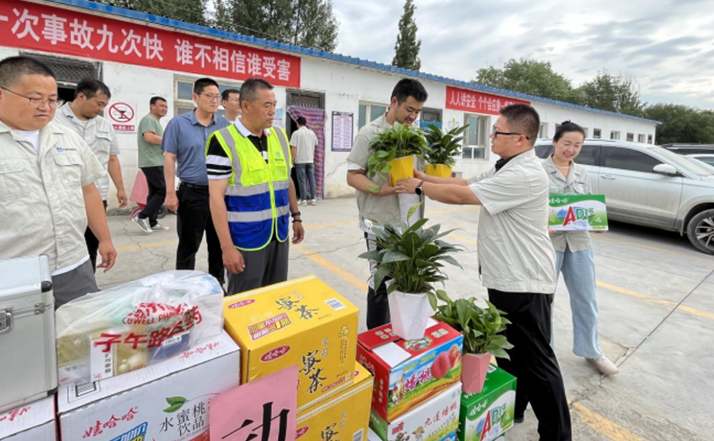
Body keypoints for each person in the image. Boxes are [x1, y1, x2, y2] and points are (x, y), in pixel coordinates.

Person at [395, 104, 572, 441]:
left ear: (520, 138)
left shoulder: (525, 174)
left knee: (537, 360)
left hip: (524, 279)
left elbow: (463, 195)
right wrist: (420, 176)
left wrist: (418, 189)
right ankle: (514, 407)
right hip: (506, 276)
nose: (491, 137)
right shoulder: (506, 167)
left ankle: (558, 435)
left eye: (497, 132)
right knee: (510, 351)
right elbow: (462, 180)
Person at [0, 56, 116, 307]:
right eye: (35, 98)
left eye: (52, 100)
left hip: (73, 264)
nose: (46, 106)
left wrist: (105, 239)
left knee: (81, 339)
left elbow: (88, 191)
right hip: (12, 276)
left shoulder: (68, 138)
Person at [206, 78, 305, 295]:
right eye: (266, 105)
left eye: (274, 105)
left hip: (278, 235)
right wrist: (227, 248)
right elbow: (215, 198)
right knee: (245, 303)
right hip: (245, 240)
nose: (272, 111)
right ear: (246, 106)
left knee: (276, 296)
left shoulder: (279, 136)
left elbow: (286, 179)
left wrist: (296, 217)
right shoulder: (223, 140)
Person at [346, 78, 428, 329]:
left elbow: (420, 174)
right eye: (409, 109)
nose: (413, 117)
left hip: (410, 221)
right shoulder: (369, 133)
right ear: (394, 102)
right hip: (381, 222)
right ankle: (377, 341)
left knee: (405, 281)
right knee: (381, 282)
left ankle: (400, 331)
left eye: (417, 112)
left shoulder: (416, 136)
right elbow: (352, 175)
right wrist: (378, 189)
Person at [544, 120, 619, 376]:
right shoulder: (538, 170)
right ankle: (547, 352)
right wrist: (543, 222)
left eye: (577, 145)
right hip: (548, 244)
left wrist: (597, 222)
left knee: (586, 298)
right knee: (545, 301)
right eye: (567, 143)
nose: (571, 149)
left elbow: (587, 206)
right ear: (555, 142)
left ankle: (592, 351)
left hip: (579, 244)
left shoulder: (583, 173)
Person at [53, 78, 127, 272]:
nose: (101, 109)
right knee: (63, 249)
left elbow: (112, 159)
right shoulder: (53, 120)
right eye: (99, 104)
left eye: (104, 106)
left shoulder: (105, 125)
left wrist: (119, 187)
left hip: (96, 195)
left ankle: (87, 288)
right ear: (81, 96)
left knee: (92, 246)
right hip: (63, 198)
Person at [163, 77, 231, 286]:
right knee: (188, 244)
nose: (214, 101)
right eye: (209, 96)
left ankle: (218, 284)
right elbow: (169, 157)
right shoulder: (178, 124)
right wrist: (170, 193)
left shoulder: (225, 125)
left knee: (218, 242)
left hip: (220, 194)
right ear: (195, 97)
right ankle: (183, 287)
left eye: (217, 97)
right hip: (192, 193)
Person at [132, 96, 169, 233]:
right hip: (152, 161)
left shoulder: (155, 121)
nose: (164, 109)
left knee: (154, 191)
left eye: (166, 107)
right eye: (161, 106)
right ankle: (142, 217)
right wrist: (169, 140)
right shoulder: (149, 119)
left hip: (154, 161)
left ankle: (152, 221)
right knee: (162, 191)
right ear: (152, 106)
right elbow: (149, 137)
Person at [290, 116, 319, 206]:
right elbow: (315, 144)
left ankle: (303, 200)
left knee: (302, 180)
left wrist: (292, 160)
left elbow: (294, 148)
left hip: (300, 160)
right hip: (310, 160)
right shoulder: (312, 133)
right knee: (311, 180)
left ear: (297, 124)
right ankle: (313, 199)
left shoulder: (296, 133)